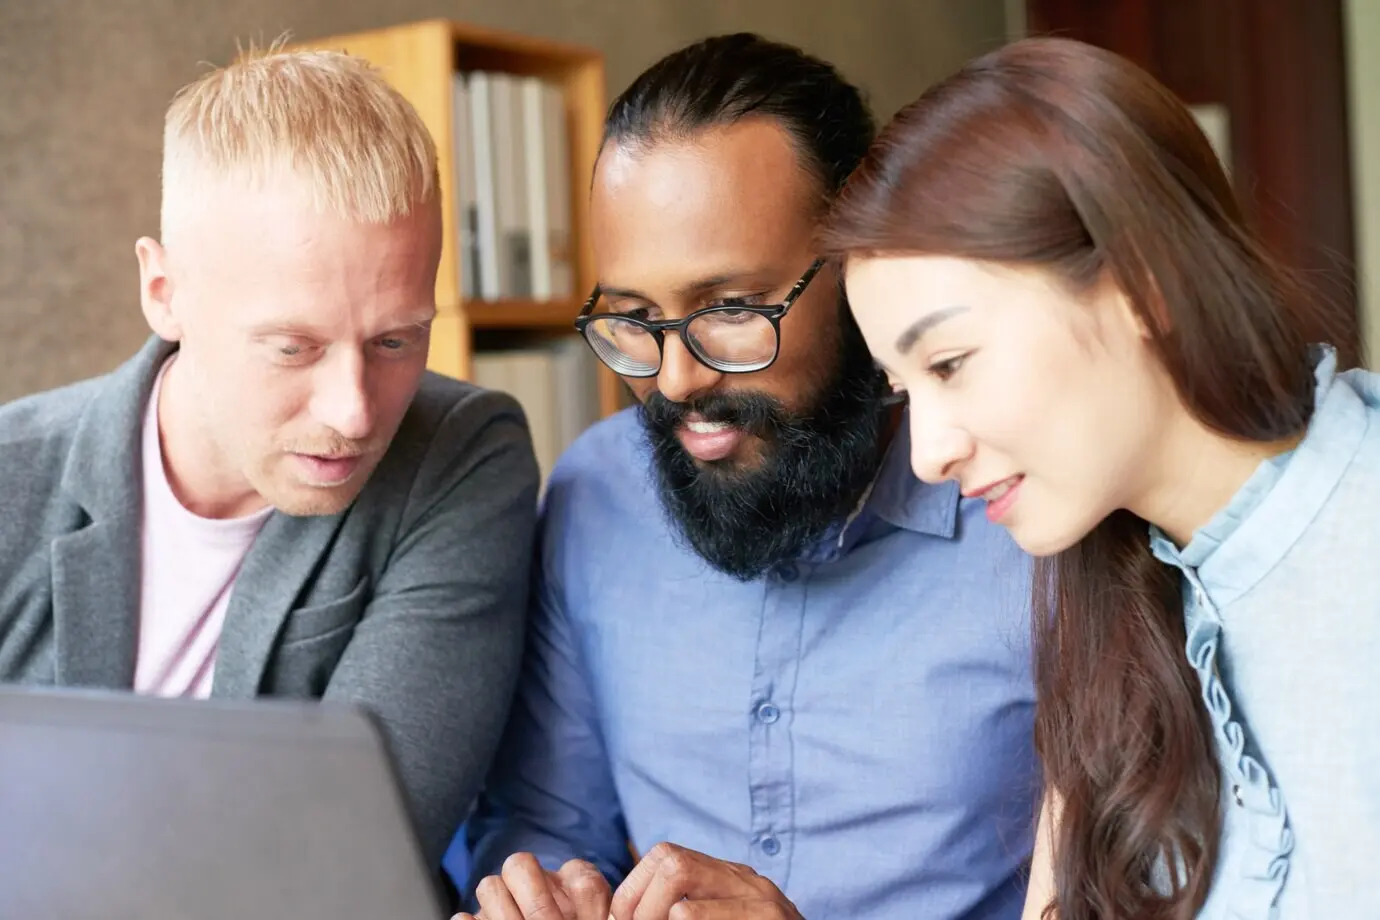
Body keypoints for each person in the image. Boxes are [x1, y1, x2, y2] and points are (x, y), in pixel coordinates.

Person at [456, 33, 1038, 920]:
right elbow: (545, 821)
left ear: (860, 270)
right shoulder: (595, 497)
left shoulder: (1033, 516)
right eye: (635, 319)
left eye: (730, 309)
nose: (677, 380)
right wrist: (552, 894)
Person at [823, 35, 1379, 920]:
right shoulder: (1106, 627)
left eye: (952, 363)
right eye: (903, 390)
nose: (926, 454)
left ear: (1144, 283)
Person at [0, 47, 539, 876]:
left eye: (396, 340)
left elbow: (354, 859)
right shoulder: (12, 478)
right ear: (163, 291)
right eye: (293, 347)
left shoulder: (463, 454)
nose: (355, 413)